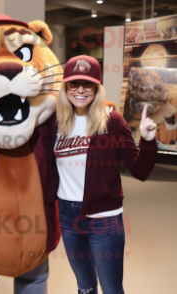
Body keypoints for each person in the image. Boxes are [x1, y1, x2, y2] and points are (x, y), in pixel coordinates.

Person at [53, 55, 158, 294]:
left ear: (97, 88)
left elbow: (139, 171)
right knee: (85, 286)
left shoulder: (112, 121)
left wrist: (148, 142)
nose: (80, 90)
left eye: (87, 84)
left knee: (111, 289)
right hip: (68, 216)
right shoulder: (57, 122)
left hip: (104, 218)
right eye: (73, 83)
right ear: (65, 87)